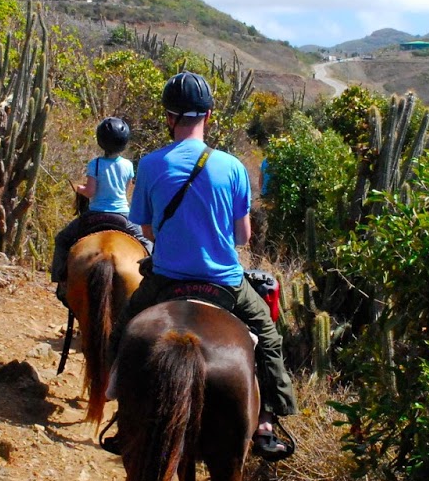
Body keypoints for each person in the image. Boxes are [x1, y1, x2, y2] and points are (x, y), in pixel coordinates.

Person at [116, 71, 297, 460]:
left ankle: (121, 412)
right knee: (267, 336)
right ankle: (268, 421)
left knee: (124, 327)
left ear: (169, 117)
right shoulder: (232, 167)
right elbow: (242, 237)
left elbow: (146, 228)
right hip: (225, 284)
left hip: (166, 280)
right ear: (209, 115)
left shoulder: (149, 165)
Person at [50, 116, 152, 303]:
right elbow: (127, 189)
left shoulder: (95, 164)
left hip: (95, 215)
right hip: (122, 216)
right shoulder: (128, 165)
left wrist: (78, 188)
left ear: (101, 141)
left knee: (63, 239)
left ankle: (62, 281)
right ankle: (151, 282)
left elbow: (90, 191)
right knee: (148, 243)